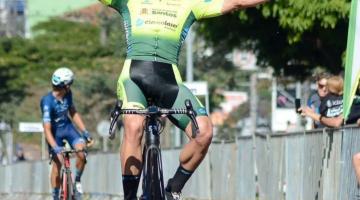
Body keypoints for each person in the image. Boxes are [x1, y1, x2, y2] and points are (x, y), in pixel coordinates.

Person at [98, 0, 270, 199]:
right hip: (133, 80)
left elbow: (236, 2)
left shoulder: (189, 3)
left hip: (169, 83)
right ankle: (129, 196)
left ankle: (173, 189)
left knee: (204, 132)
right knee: (134, 126)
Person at [40, 67, 94, 200]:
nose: (70, 87)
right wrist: (55, 147)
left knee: (81, 152)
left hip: (68, 128)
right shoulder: (47, 102)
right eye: (70, 84)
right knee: (57, 162)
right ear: (65, 85)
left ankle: (77, 181)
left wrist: (85, 132)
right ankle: (55, 195)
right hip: (54, 133)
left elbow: (73, 112)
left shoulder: (68, 94)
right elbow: (46, 129)